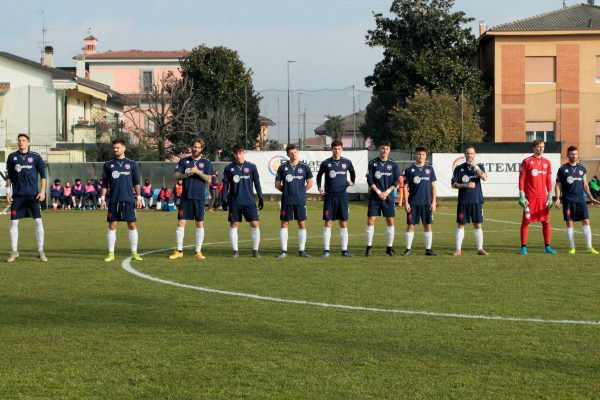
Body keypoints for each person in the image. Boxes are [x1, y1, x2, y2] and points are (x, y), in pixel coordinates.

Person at [5, 133, 47, 262]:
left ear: (28, 142)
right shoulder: (12, 157)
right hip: (17, 196)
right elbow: (9, 178)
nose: (21, 142)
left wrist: (42, 191)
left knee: (38, 221)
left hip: (33, 196)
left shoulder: (36, 157)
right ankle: (14, 251)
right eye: (19, 140)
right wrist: (8, 192)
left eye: (23, 140)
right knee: (14, 223)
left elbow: (43, 176)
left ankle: (40, 251)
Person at [169, 139, 213, 260]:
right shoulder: (184, 161)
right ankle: (179, 250)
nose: (196, 149)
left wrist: (197, 171)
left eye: (199, 147)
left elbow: (209, 179)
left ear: (201, 149)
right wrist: (187, 174)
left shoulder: (206, 162)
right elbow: (176, 175)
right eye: (194, 147)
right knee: (181, 222)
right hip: (185, 197)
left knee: (199, 223)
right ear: (191, 147)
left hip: (199, 198)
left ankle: (198, 251)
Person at [100, 138, 143, 262]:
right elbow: (104, 184)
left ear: (124, 148)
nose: (115, 149)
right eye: (114, 148)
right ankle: (111, 253)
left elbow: (136, 183)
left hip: (129, 199)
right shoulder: (108, 165)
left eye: (118, 147)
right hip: (114, 200)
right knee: (112, 226)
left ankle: (134, 252)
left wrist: (139, 197)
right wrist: (102, 198)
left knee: (132, 225)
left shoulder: (132, 164)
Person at [554, 145, 600, 254]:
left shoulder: (582, 168)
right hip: (568, 200)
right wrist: (557, 198)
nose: (574, 156)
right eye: (571, 154)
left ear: (578, 154)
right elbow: (558, 185)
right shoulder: (562, 169)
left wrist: (591, 198)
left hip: (581, 200)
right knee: (569, 223)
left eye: (575, 154)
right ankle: (572, 247)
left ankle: (589, 247)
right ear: (567, 155)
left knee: (586, 221)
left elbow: (585, 184)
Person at [222, 144, 264, 257]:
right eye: (236, 153)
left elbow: (257, 183)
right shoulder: (228, 168)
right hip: (235, 201)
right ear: (233, 154)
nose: (238, 155)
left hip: (249, 201)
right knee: (234, 224)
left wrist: (260, 197)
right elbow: (225, 185)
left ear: (243, 153)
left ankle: (255, 250)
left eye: (240, 153)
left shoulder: (251, 167)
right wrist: (223, 199)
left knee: (255, 224)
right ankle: (235, 251)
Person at [316, 139, 356, 258]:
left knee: (343, 222)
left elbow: (353, 173)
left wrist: (352, 182)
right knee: (328, 222)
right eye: (335, 148)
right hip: (329, 196)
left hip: (342, 196)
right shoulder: (326, 163)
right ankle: (326, 250)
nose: (337, 151)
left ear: (342, 149)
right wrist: (319, 187)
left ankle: (344, 251)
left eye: (339, 148)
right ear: (331, 149)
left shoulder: (347, 162)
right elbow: (319, 176)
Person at [275, 144, 314, 258]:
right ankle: (283, 250)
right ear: (287, 154)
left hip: (300, 201)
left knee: (301, 224)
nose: (293, 154)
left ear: (298, 152)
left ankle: (302, 250)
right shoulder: (282, 168)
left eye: (295, 152)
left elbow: (310, 183)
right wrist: (286, 191)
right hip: (287, 200)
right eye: (291, 153)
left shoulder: (305, 167)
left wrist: (301, 192)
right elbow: (277, 185)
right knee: (284, 223)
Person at [518, 139, 555, 255]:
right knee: (526, 222)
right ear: (533, 148)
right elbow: (522, 179)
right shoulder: (527, 161)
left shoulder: (547, 162)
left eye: (543, 147)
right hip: (530, 198)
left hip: (543, 198)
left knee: (546, 222)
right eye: (539, 147)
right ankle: (523, 247)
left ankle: (547, 246)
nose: (541, 149)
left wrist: (550, 196)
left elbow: (548, 180)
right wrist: (522, 195)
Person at [451, 145, 488, 256]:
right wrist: (465, 185)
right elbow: (453, 184)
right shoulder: (459, 168)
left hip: (476, 201)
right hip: (463, 201)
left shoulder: (479, 166)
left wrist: (475, 167)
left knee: (477, 224)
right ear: (465, 154)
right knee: (461, 225)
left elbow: (485, 177)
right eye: (468, 153)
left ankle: (480, 249)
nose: (469, 155)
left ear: (474, 154)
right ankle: (458, 250)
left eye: (471, 153)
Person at [365, 140, 401, 257]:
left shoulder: (394, 164)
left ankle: (389, 247)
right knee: (371, 220)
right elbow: (370, 180)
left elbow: (396, 181)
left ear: (389, 150)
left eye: (387, 149)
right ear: (379, 149)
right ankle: (369, 247)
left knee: (390, 221)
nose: (384, 151)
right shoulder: (372, 163)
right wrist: (379, 192)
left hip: (388, 197)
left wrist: (387, 192)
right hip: (375, 197)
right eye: (382, 148)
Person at [402, 146, 437, 256]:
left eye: (423, 154)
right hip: (413, 203)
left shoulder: (430, 169)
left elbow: (433, 186)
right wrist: (406, 202)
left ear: (426, 156)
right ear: (415, 155)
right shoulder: (409, 169)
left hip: (427, 203)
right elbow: (405, 187)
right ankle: (408, 249)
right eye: (418, 154)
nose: (420, 156)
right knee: (411, 225)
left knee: (428, 225)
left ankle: (428, 249)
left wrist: (434, 201)